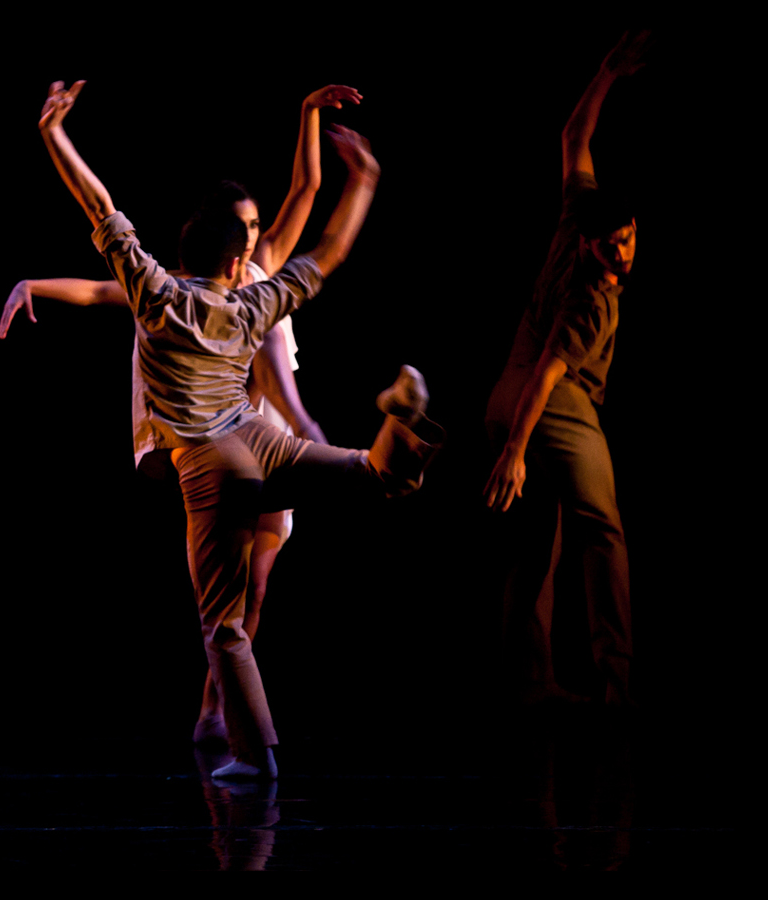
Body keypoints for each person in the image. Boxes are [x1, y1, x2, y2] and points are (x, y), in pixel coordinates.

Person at [36, 79, 443, 779]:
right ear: (234, 263)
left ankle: (255, 759)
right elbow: (330, 252)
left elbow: (98, 204)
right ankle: (399, 422)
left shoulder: (154, 292)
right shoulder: (254, 302)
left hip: (209, 461)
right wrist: (367, 179)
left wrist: (54, 133)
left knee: (223, 625)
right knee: (370, 472)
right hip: (262, 438)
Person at [1, 85, 359, 745]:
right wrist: (35, 285)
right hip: (220, 441)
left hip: (271, 435)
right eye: (244, 228)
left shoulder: (265, 274)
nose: (255, 237)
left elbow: (307, 189)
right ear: (223, 236)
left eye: (258, 226)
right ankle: (219, 718)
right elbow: (104, 289)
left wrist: (308, 113)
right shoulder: (185, 293)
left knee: (256, 588)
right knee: (227, 591)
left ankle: (217, 707)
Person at [483, 31, 649, 707]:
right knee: (603, 530)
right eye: (612, 247)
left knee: (534, 545)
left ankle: (527, 681)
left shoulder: (577, 210)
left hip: (505, 392)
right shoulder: (592, 297)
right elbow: (551, 373)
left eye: (630, 240)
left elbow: (573, 136)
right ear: (588, 244)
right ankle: (617, 679)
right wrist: (515, 452)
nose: (624, 256)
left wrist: (607, 72)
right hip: (548, 404)